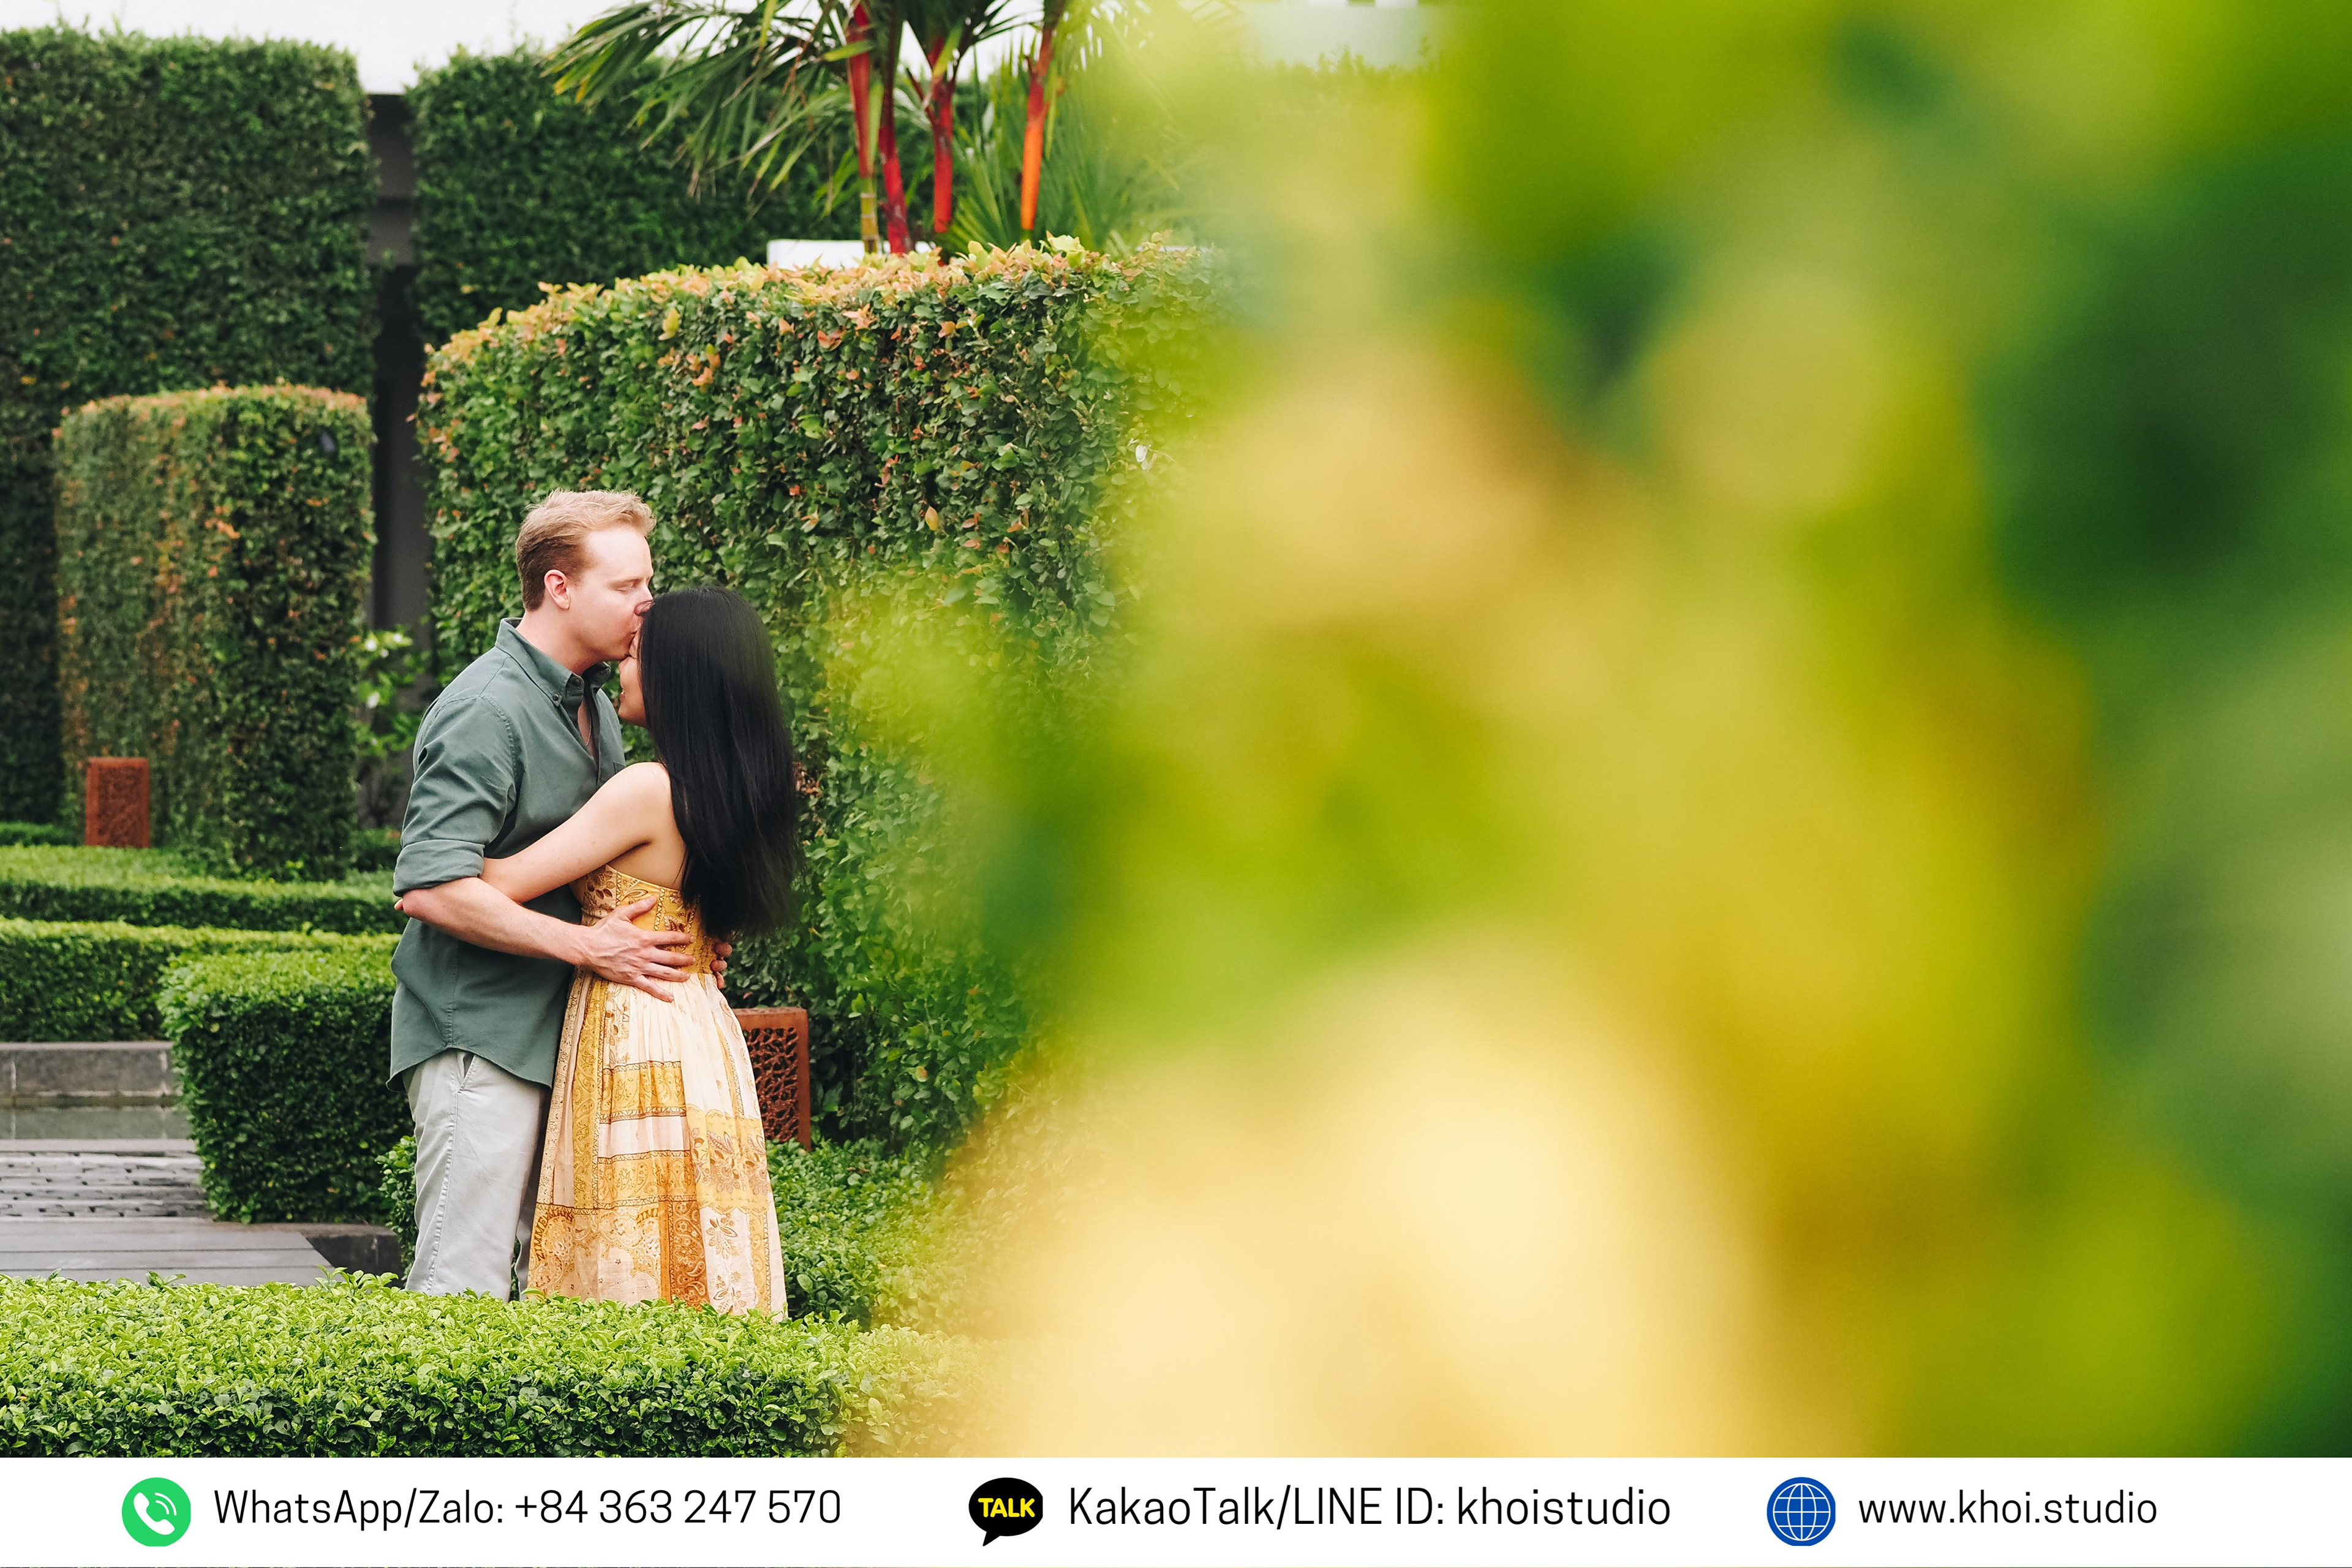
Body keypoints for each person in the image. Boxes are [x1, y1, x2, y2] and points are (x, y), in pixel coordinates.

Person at [390, 490, 706, 1298]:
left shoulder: (597, 701)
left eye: (649, 584)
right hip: (483, 1042)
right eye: (626, 586)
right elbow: (429, 888)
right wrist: (587, 946)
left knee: (545, 1292)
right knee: (460, 1292)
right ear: (559, 588)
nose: (647, 605)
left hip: (567, 1046)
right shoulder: (486, 709)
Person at [473, 586, 799, 1313]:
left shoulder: (646, 789)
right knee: (700, 1248)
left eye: (638, 654)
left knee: (630, 1253)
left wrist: (445, 827)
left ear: (676, 677)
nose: (623, 662)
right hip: (701, 1031)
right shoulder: (735, 791)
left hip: (634, 1026)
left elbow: (496, 881)